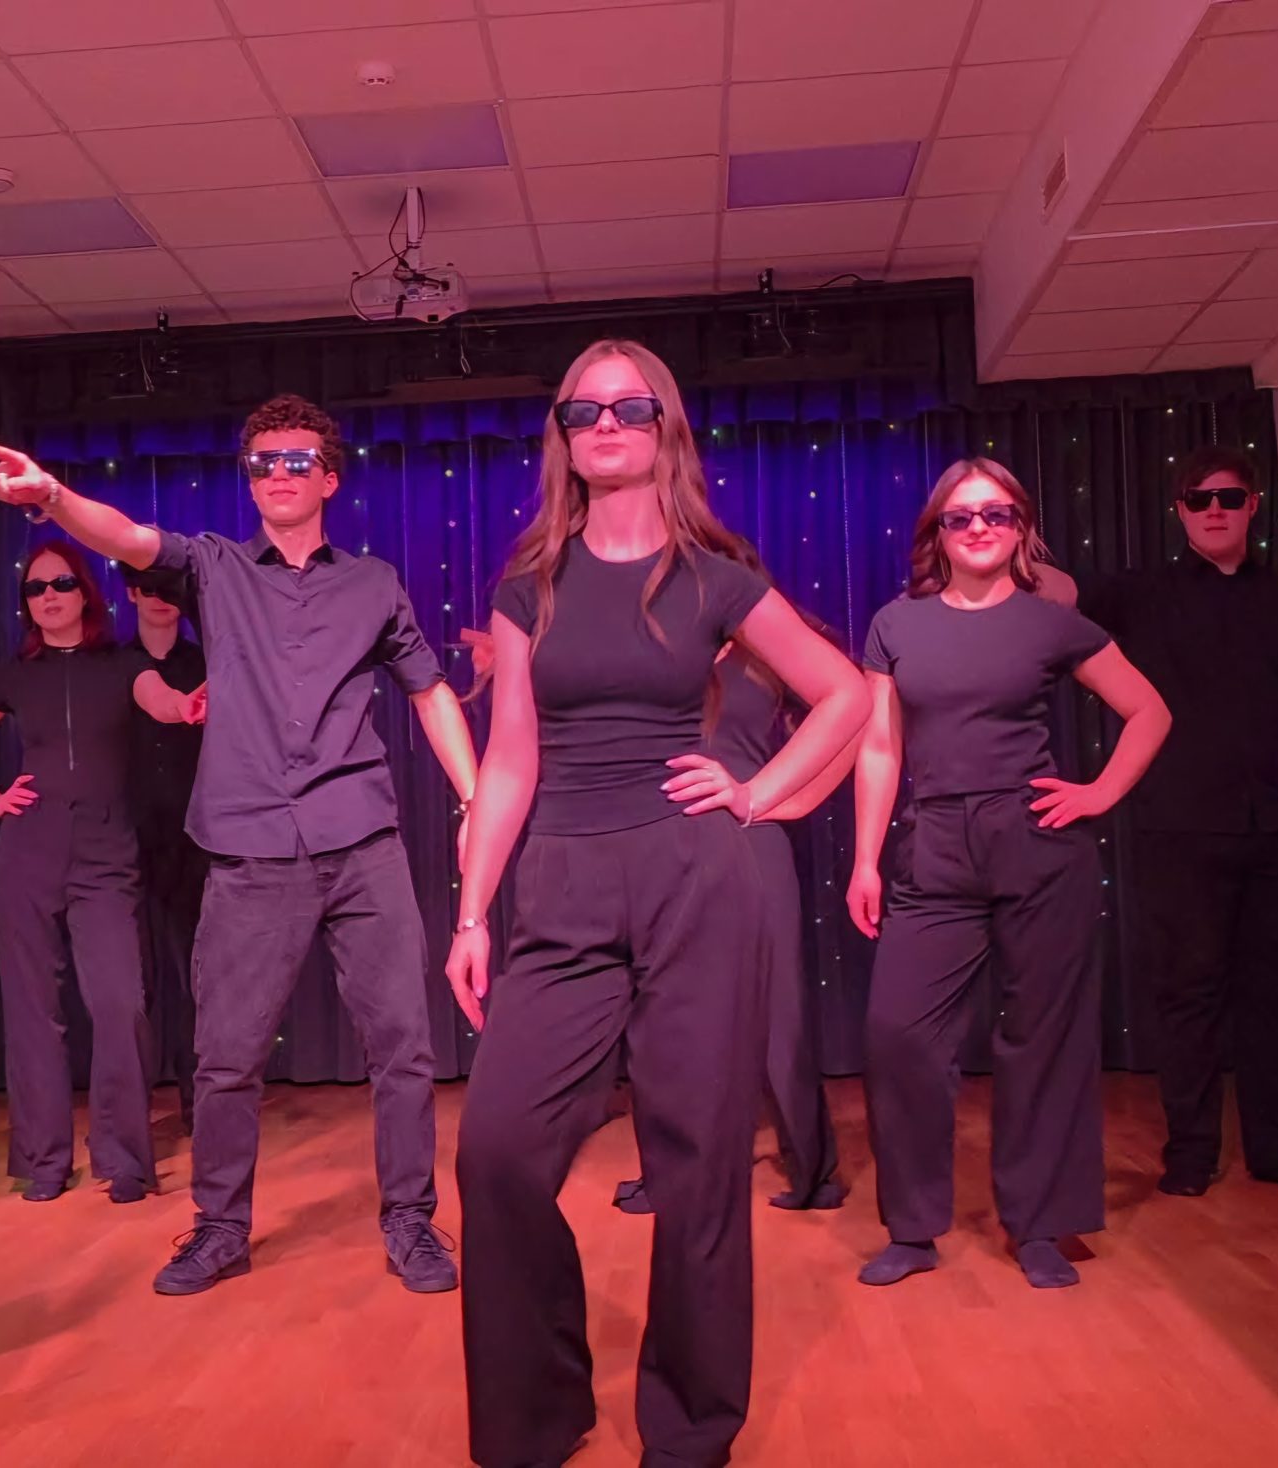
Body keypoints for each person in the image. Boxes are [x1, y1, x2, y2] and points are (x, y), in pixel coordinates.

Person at [448, 340, 870, 1468]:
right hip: (562, 886)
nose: (606, 423)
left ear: (664, 428)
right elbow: (509, 760)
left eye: (629, 408)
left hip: (695, 879)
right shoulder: (527, 590)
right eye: (583, 410)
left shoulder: (713, 577)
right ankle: (537, 1419)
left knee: (698, 1170)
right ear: (563, 437)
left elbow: (846, 694)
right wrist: (473, 914)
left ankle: (687, 1435)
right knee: (495, 1153)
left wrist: (758, 794)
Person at [0, 392, 480, 1299]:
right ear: (247, 480)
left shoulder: (374, 584)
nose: (279, 474)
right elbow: (128, 538)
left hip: (359, 839)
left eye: (297, 460)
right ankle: (220, 1227)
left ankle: (410, 1219)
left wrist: (477, 798)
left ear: (329, 478)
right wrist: (51, 496)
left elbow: (429, 691)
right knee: (226, 1057)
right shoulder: (213, 567)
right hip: (251, 850)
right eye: (262, 462)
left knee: (403, 1048)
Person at [846, 457, 1170, 1293]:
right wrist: (865, 859)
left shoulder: (1051, 624)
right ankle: (912, 1229)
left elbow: (1149, 711)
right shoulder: (896, 625)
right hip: (933, 846)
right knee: (899, 1034)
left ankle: (1040, 1225)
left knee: (1044, 1039)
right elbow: (879, 747)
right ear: (938, 534)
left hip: (1036, 843)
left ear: (1020, 526)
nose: (980, 527)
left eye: (997, 513)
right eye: (961, 517)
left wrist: (1099, 793)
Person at [459, 628, 856, 1218]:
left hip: (749, 836)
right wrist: (503, 672)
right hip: (662, 842)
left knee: (779, 1012)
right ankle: (666, 1171)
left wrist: (783, 797)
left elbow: (851, 708)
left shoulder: (763, 648)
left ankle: (813, 1169)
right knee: (661, 1017)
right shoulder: (645, 644)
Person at [1069, 446, 1278, 1196]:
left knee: (1272, 994)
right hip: (1178, 827)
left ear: (1254, 505)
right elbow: (1059, 593)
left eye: (1229, 497)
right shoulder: (1140, 594)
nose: (1215, 509)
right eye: (1199, 499)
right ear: (1181, 511)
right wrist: (997, 530)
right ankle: (1191, 1155)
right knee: (1187, 993)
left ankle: (1276, 1151)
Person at [0, 541, 197, 1205]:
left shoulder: (124, 664)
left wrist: (187, 706)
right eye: (34, 589)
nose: (47, 597)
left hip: (106, 852)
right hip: (29, 850)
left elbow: (162, 702)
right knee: (33, 1012)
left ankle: (124, 1157)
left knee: (121, 1004)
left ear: (85, 593)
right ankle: (43, 1160)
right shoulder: (14, 674)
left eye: (59, 585)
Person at [125, 577, 208, 1131]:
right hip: (123, 840)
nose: (158, 594)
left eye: (167, 585)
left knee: (197, 978)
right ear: (130, 593)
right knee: (131, 984)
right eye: (145, 585)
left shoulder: (207, 663)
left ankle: (200, 1107)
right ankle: (129, 1115)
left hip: (193, 840)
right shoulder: (113, 665)